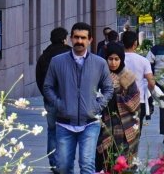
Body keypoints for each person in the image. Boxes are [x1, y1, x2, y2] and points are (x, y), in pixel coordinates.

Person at [43, 23, 113, 174]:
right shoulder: (57, 61)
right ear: (70, 38)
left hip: (90, 123)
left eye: (83, 38)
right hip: (64, 122)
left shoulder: (99, 63)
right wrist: (59, 104)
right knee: (63, 167)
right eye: (76, 37)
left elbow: (108, 89)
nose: (79, 41)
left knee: (87, 165)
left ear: (90, 40)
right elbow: (48, 87)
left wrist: (97, 106)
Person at [96, 42, 141, 172]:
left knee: (123, 159)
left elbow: (135, 100)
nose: (113, 63)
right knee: (104, 158)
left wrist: (116, 99)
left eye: (117, 59)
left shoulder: (128, 76)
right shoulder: (100, 76)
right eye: (110, 59)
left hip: (125, 125)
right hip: (104, 123)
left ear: (121, 59)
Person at [36, 27, 71, 172]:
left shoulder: (44, 56)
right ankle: (63, 161)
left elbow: (39, 78)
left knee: (52, 130)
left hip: (50, 99)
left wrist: (46, 94)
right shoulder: (70, 53)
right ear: (64, 39)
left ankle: (54, 162)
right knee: (67, 130)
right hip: (67, 98)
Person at [120, 31, 155, 126]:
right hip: (139, 100)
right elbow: (151, 82)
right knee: (137, 129)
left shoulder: (117, 60)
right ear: (135, 43)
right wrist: (150, 93)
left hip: (120, 100)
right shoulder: (143, 61)